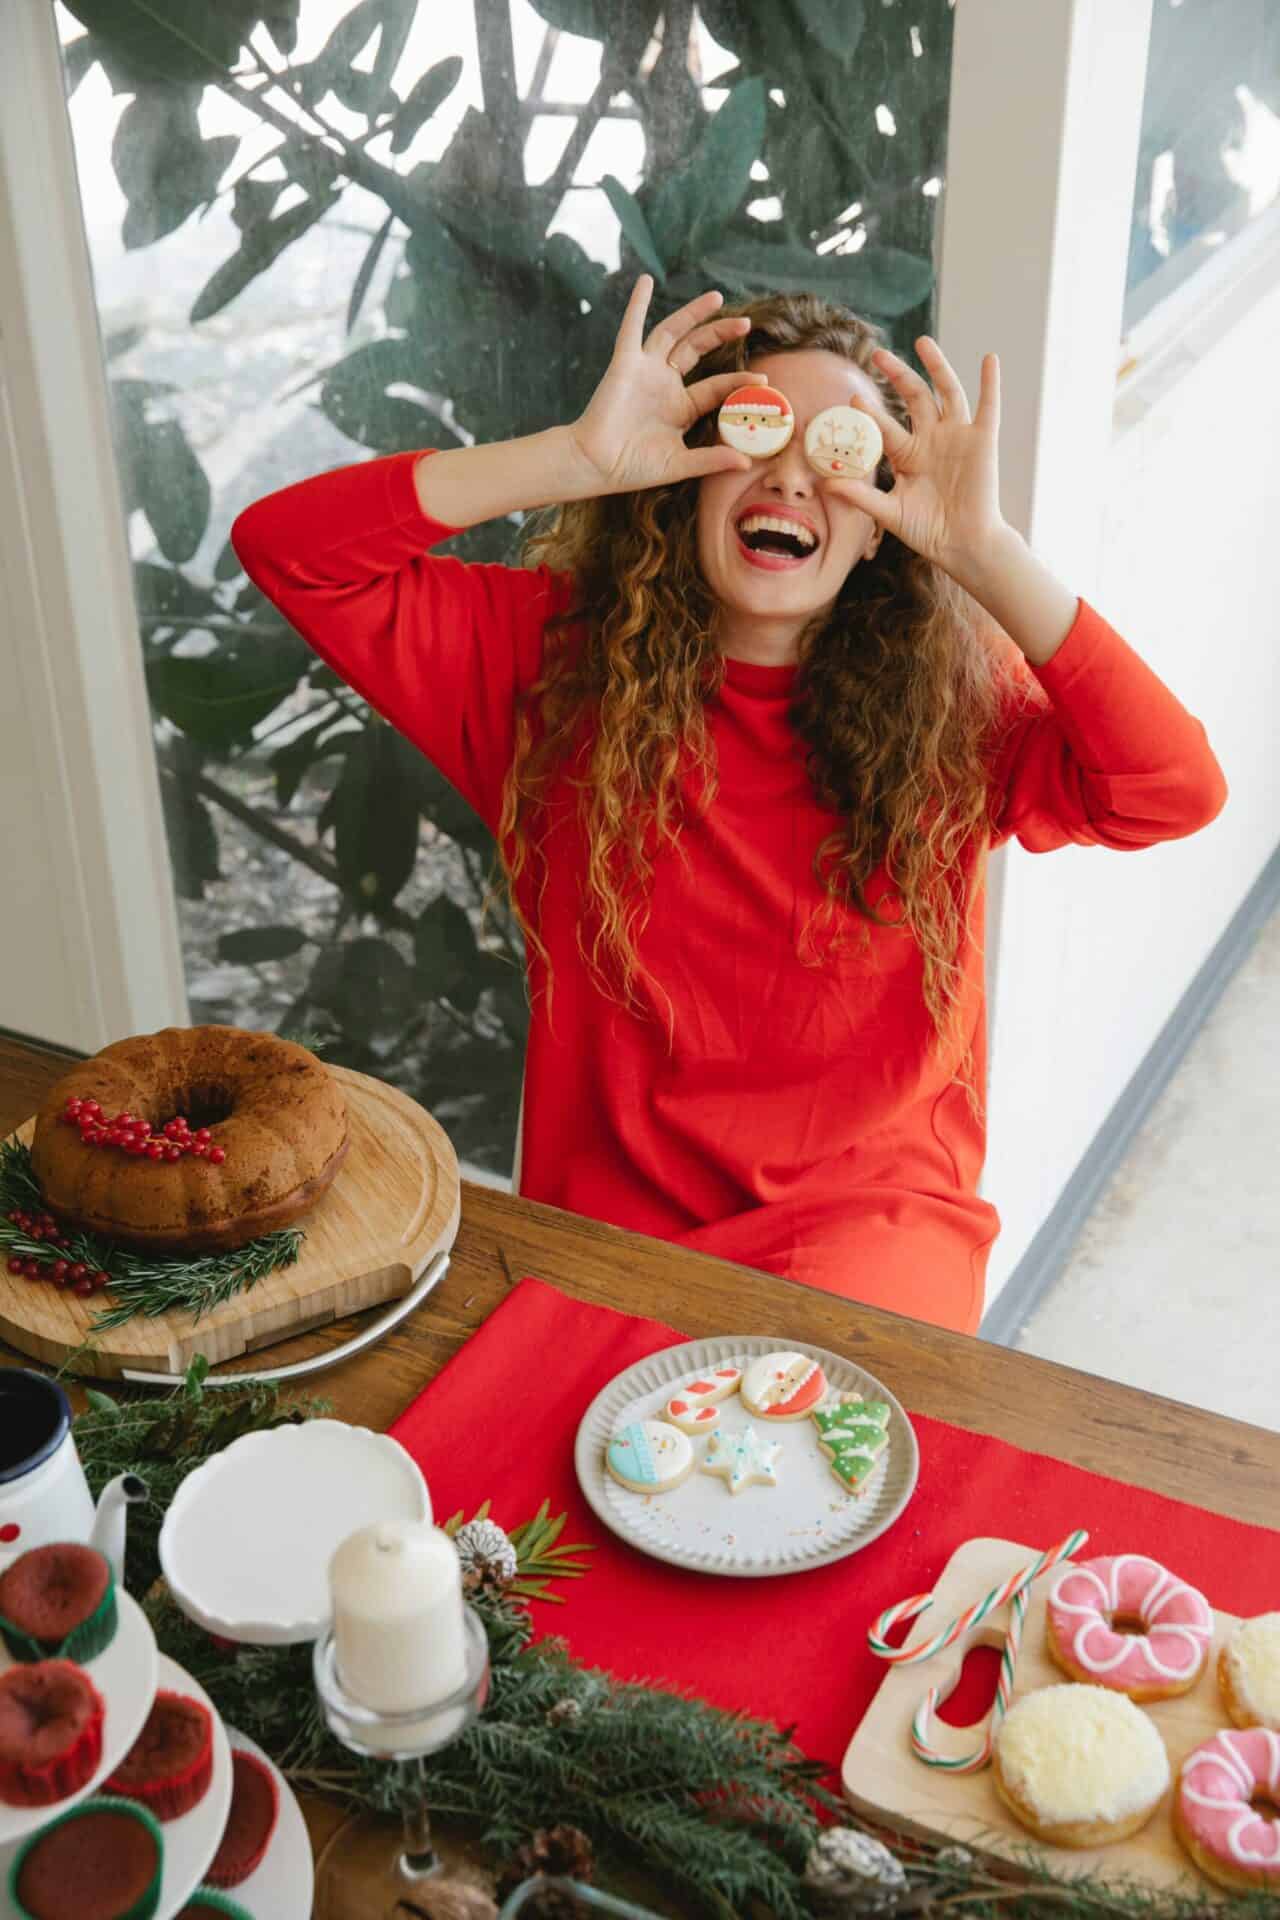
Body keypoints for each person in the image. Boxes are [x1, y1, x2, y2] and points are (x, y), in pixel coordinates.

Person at [231, 277, 1226, 1334]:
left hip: (871, 1227)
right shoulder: (543, 669)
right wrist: (572, 459)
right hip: (607, 1239)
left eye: (838, 455)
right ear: (687, 482)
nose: (790, 475)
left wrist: (984, 553)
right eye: (755, 434)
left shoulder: (953, 701)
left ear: (881, 525)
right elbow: (288, 552)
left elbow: (1172, 790)